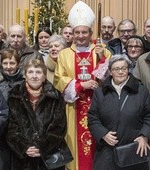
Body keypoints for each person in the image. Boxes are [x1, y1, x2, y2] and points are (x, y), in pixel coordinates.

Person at [54, 1, 112, 170]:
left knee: (98, 150)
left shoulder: (102, 50)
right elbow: (59, 79)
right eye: (77, 32)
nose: (80, 36)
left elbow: (110, 78)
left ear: (90, 32)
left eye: (84, 32)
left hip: (99, 108)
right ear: (72, 33)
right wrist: (81, 85)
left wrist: (102, 59)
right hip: (74, 108)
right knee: (76, 151)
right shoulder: (64, 54)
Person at [88, 54, 150, 170]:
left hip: (134, 149)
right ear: (110, 72)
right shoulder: (100, 93)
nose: (121, 72)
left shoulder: (141, 91)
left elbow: (148, 116)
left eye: (124, 68)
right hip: (107, 150)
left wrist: (144, 135)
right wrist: (103, 134)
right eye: (117, 69)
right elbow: (93, 117)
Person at [6, 59, 69, 170]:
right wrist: (25, 146)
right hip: (23, 158)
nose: (34, 76)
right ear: (25, 75)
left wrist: (41, 146)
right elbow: (11, 127)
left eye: (38, 72)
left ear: (44, 76)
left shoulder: (55, 96)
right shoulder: (14, 96)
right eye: (30, 72)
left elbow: (59, 127)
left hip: (50, 156)